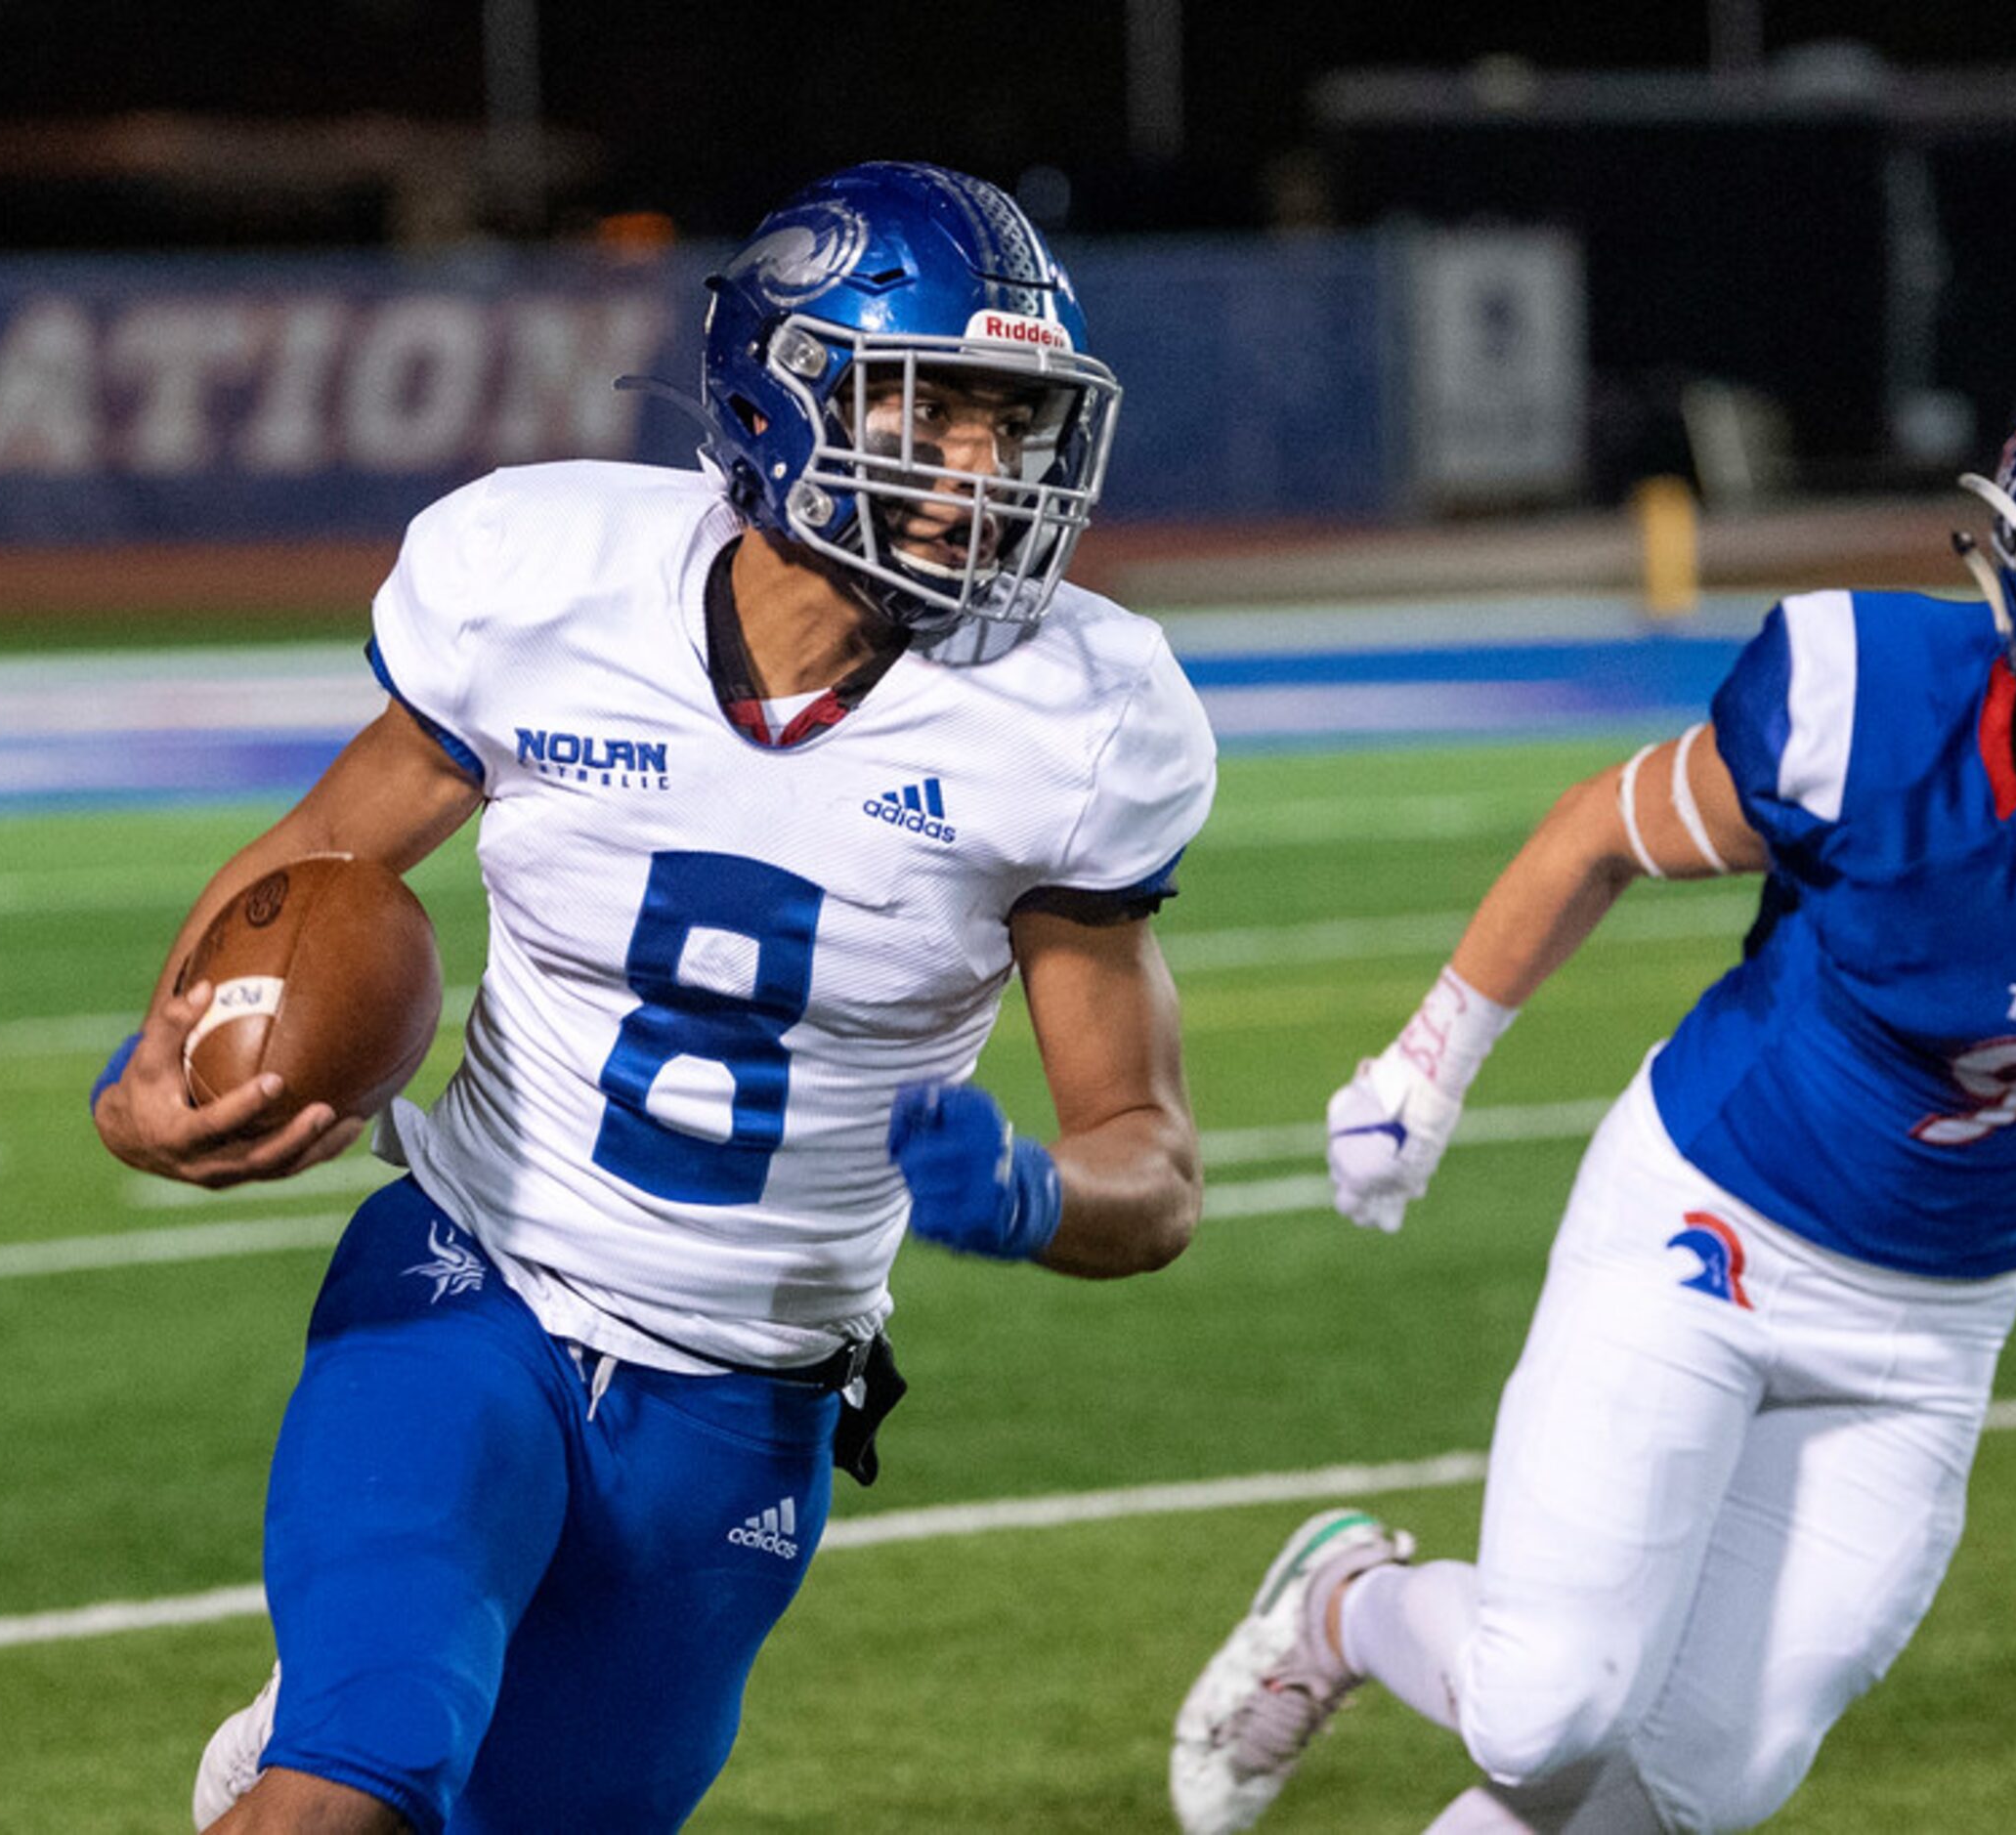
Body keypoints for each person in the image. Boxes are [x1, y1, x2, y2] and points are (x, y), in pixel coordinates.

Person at [1170, 350, 2016, 1834]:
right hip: (1709, 1222)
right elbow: (1600, 831)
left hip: (1934, 1320)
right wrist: (1428, 1062)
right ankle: (1345, 1599)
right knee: (1546, 1704)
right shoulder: (1873, 715)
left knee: (1707, 1774)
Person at [93, 160, 1215, 1835]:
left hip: (745, 1398)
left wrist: (1050, 1192)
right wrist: (155, 1059)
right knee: (355, 1778)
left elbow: (1153, 1158)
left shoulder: (1076, 720)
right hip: (473, 1279)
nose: (986, 469)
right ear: (783, 392)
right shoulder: (547, 582)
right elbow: (322, 856)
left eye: (1016, 421)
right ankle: (335, 1723)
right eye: (938, 410)